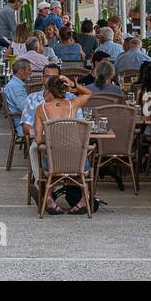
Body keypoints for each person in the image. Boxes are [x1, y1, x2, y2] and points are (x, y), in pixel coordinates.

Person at [31, 74, 93, 214]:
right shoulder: (73, 104)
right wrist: (74, 85)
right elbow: (89, 93)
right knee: (86, 156)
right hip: (77, 163)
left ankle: (49, 200)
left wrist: (50, 141)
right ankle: (85, 199)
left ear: (48, 91)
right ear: (65, 89)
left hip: (54, 163)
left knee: (43, 154)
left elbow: (38, 139)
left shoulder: (41, 109)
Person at [1, 58, 32, 135]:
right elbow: (24, 107)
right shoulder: (15, 86)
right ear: (21, 71)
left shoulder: (16, 84)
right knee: (50, 132)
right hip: (22, 125)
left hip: (25, 122)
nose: (31, 73)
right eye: (29, 70)